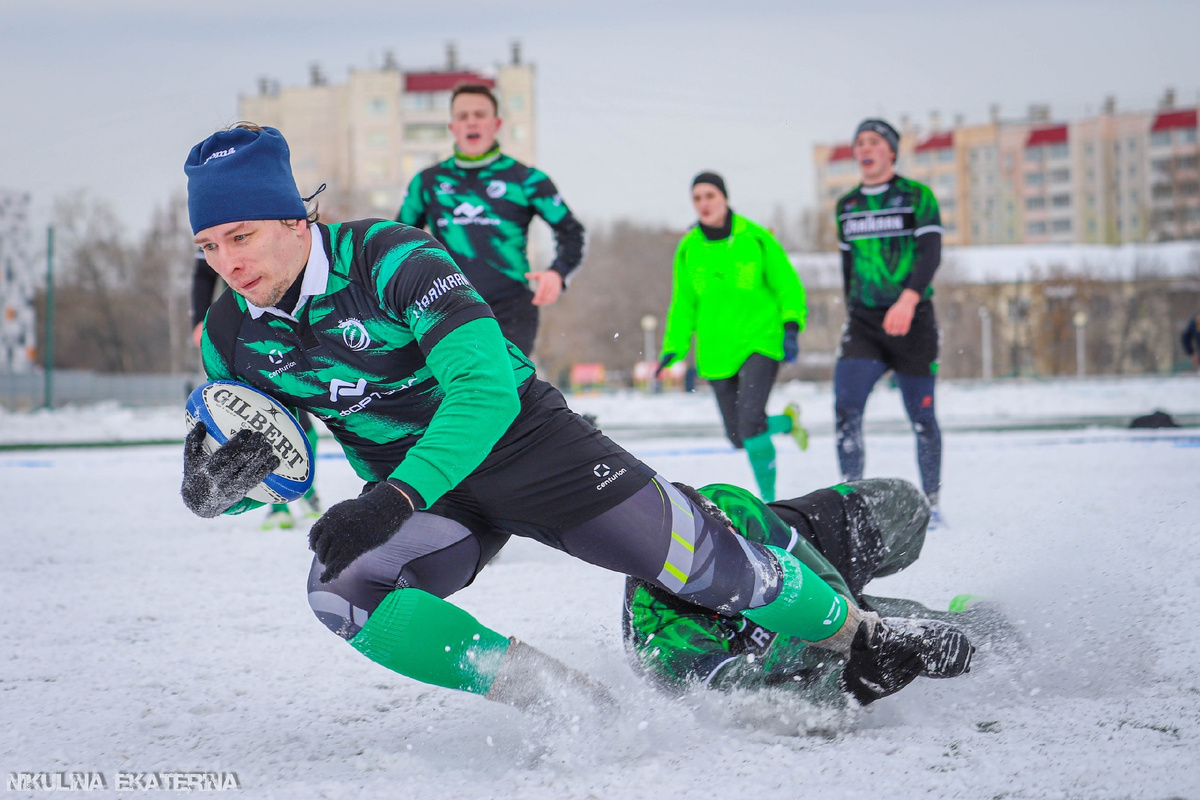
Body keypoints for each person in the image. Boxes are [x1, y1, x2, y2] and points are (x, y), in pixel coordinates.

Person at [179, 124, 972, 718]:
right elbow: (274, 459)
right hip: (434, 502)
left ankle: (859, 633)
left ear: (294, 219)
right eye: (209, 245)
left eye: (242, 235)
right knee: (340, 592)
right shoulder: (230, 334)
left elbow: (484, 394)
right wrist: (221, 489)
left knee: (707, 565)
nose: (229, 261)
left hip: (530, 448)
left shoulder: (393, 257)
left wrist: (393, 497)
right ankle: (570, 703)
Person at [625, 478, 1000, 706]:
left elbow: (821, 580)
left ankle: (871, 614)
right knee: (977, 641)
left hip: (808, 560)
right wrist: (859, 682)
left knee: (908, 505)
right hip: (781, 643)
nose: (732, 563)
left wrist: (862, 630)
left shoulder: (727, 505)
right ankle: (973, 620)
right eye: (718, 566)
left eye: (728, 545)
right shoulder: (665, 642)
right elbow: (756, 703)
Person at [396, 83, 584, 358]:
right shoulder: (428, 183)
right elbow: (398, 243)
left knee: (504, 388)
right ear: (452, 127)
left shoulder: (526, 180)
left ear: (496, 124)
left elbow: (572, 232)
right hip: (445, 303)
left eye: (479, 114)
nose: (471, 121)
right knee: (456, 389)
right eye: (462, 116)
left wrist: (558, 272)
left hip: (511, 308)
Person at [658, 172, 809, 503]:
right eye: (697, 198)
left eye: (710, 195)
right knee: (738, 435)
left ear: (724, 198)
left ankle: (769, 501)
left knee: (752, 420)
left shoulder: (754, 237)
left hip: (760, 339)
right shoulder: (688, 249)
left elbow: (787, 283)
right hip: (716, 349)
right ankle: (786, 422)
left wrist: (791, 325)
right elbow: (683, 303)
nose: (704, 204)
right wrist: (674, 347)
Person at [834, 119, 944, 523]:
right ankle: (852, 502)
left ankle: (931, 503)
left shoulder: (917, 196)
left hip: (913, 321)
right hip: (864, 325)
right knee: (846, 411)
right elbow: (848, 266)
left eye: (875, 141)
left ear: (891, 151)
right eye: (859, 141)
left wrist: (908, 299)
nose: (866, 147)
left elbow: (930, 254)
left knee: (922, 417)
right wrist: (853, 311)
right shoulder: (847, 205)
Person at [190, 248, 322, 529]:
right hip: (243, 330)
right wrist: (199, 320)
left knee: (299, 414)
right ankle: (277, 503)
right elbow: (203, 272)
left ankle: (307, 493)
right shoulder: (211, 227)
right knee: (255, 417)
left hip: (288, 318)